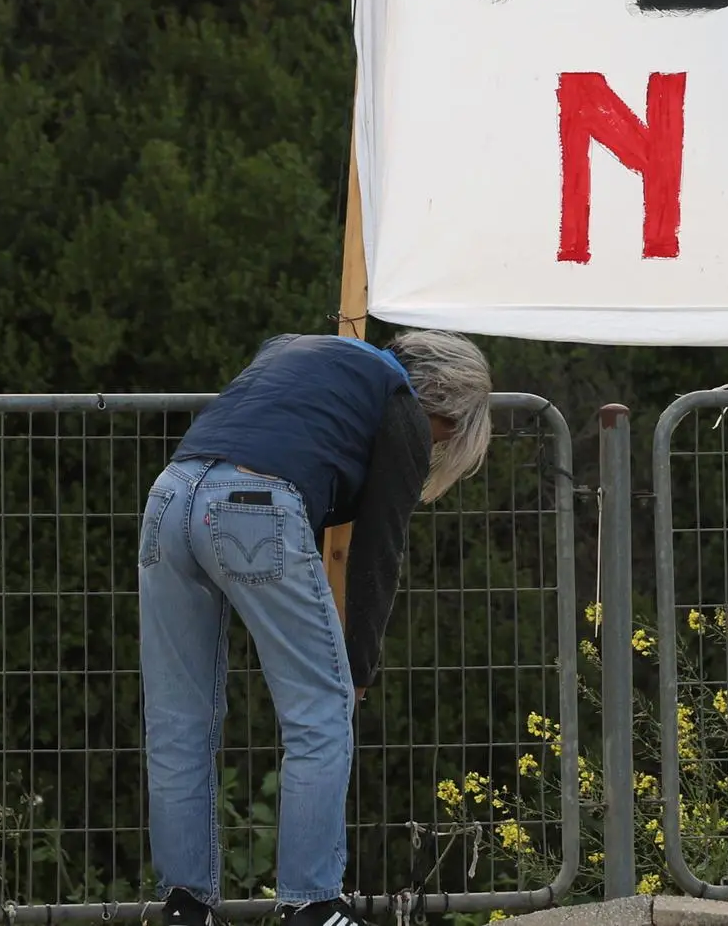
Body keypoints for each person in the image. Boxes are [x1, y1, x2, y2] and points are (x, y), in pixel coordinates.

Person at [136, 330, 493, 926]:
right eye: (448, 436)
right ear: (445, 407)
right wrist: (356, 669)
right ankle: (311, 904)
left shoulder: (294, 348)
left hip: (170, 496)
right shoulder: (400, 405)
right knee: (321, 714)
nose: (437, 447)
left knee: (178, 720)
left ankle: (183, 907)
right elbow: (379, 551)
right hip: (252, 505)